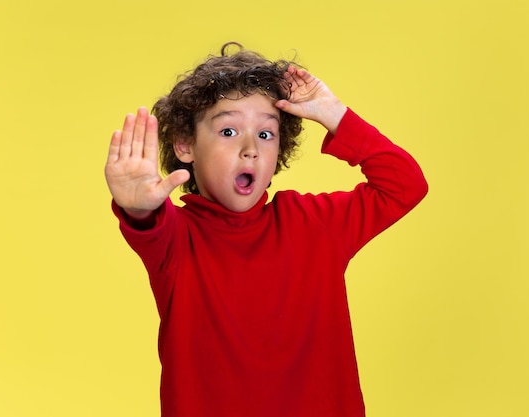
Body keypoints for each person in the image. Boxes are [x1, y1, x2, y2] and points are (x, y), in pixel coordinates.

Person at [105, 42, 428, 417]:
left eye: (265, 134)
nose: (250, 149)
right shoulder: (177, 239)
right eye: (228, 131)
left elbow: (405, 185)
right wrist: (137, 208)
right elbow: (149, 227)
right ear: (185, 145)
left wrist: (335, 115)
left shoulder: (315, 224)